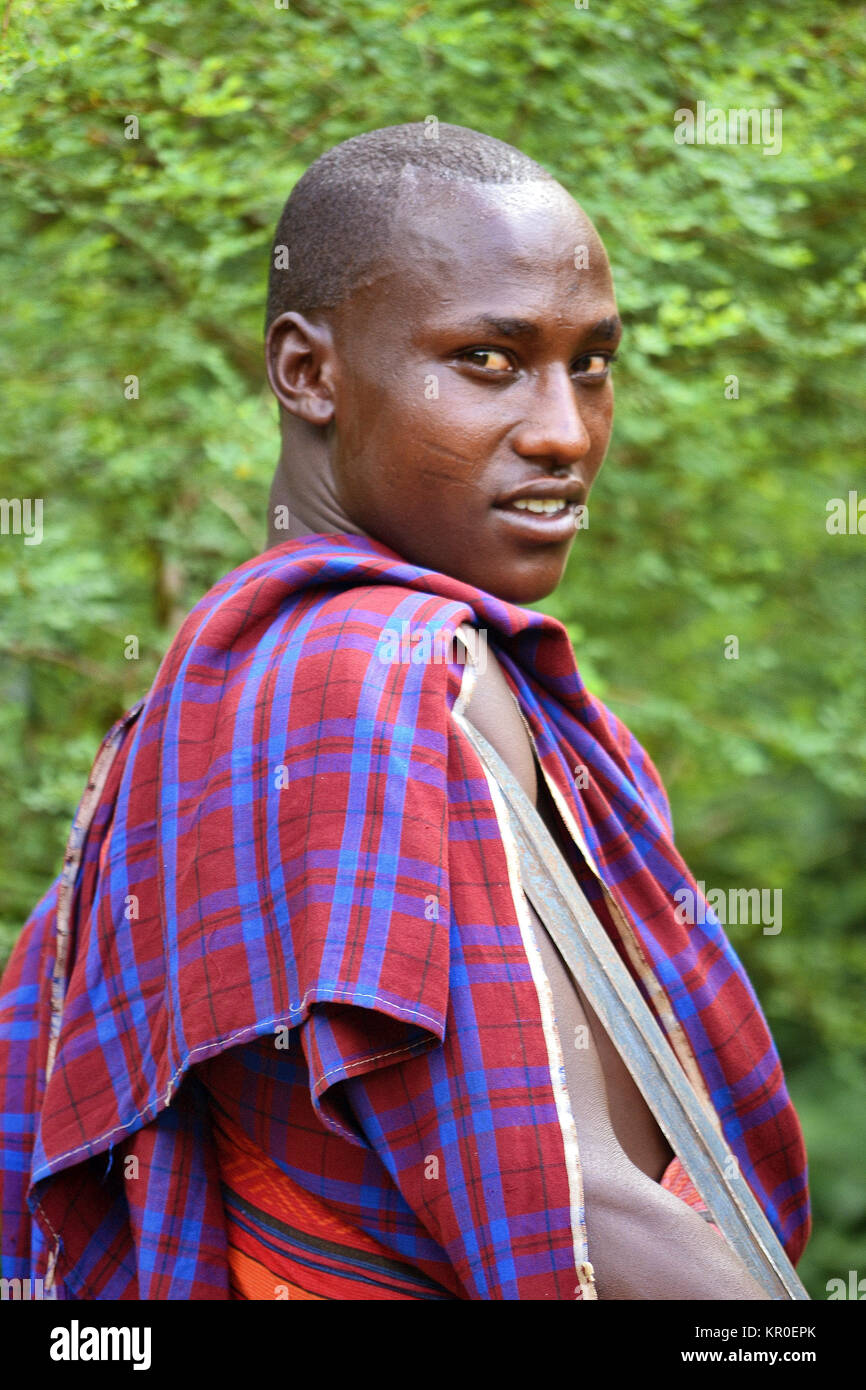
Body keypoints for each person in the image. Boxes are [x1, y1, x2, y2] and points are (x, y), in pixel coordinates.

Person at [0, 123, 809, 1300]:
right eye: (488, 359)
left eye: (590, 363)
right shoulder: (381, 672)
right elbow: (566, 1201)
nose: (563, 431)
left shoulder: (233, 685)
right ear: (307, 370)